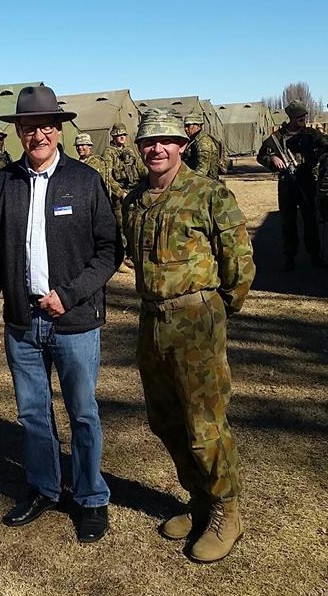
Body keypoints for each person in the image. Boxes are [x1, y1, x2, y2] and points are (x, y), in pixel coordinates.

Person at [0, 85, 119, 543]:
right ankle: (43, 488)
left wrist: (71, 293)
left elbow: (108, 250)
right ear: (18, 132)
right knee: (34, 414)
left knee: (82, 412)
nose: (37, 134)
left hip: (74, 321)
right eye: (28, 127)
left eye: (45, 126)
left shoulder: (85, 180)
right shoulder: (5, 182)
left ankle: (90, 497)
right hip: (21, 323)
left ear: (59, 129)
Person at [122, 108, 255, 563]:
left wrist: (218, 310)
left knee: (204, 424)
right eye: (148, 142)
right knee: (165, 419)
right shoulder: (135, 201)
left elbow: (238, 262)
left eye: (165, 141)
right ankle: (198, 498)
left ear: (181, 145)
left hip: (196, 320)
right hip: (151, 320)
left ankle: (226, 510)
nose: (155, 149)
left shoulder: (208, 194)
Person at [257, 100, 328, 271]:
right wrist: (272, 159)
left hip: (307, 182)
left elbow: (326, 145)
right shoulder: (277, 137)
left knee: (310, 220)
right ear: (291, 117)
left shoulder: (311, 134)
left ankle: (314, 256)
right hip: (287, 185)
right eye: (299, 117)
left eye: (304, 116)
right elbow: (261, 156)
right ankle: (289, 257)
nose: (303, 119)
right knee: (288, 222)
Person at [103, 123, 147, 270]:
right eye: (118, 135)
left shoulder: (129, 151)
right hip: (120, 194)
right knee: (121, 226)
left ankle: (133, 255)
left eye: (123, 135)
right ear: (113, 137)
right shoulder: (109, 153)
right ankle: (120, 258)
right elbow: (107, 176)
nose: (121, 137)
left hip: (134, 191)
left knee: (135, 223)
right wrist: (120, 192)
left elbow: (140, 168)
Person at [182, 113, 220, 180]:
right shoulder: (193, 140)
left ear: (198, 126)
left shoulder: (203, 142)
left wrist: (190, 182)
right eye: (185, 126)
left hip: (207, 183)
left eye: (188, 126)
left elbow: (202, 170)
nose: (185, 129)